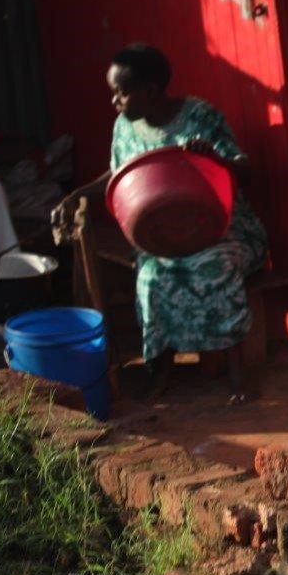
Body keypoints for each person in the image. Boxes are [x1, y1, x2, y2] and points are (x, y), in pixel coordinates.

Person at [51, 43, 268, 404]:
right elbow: (119, 176)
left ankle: (235, 370)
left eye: (121, 92)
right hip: (162, 233)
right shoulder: (124, 126)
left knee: (213, 266)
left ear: (150, 91)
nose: (114, 102)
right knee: (152, 276)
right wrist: (78, 195)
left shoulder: (200, 116)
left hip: (222, 227)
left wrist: (214, 159)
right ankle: (161, 369)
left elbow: (245, 170)